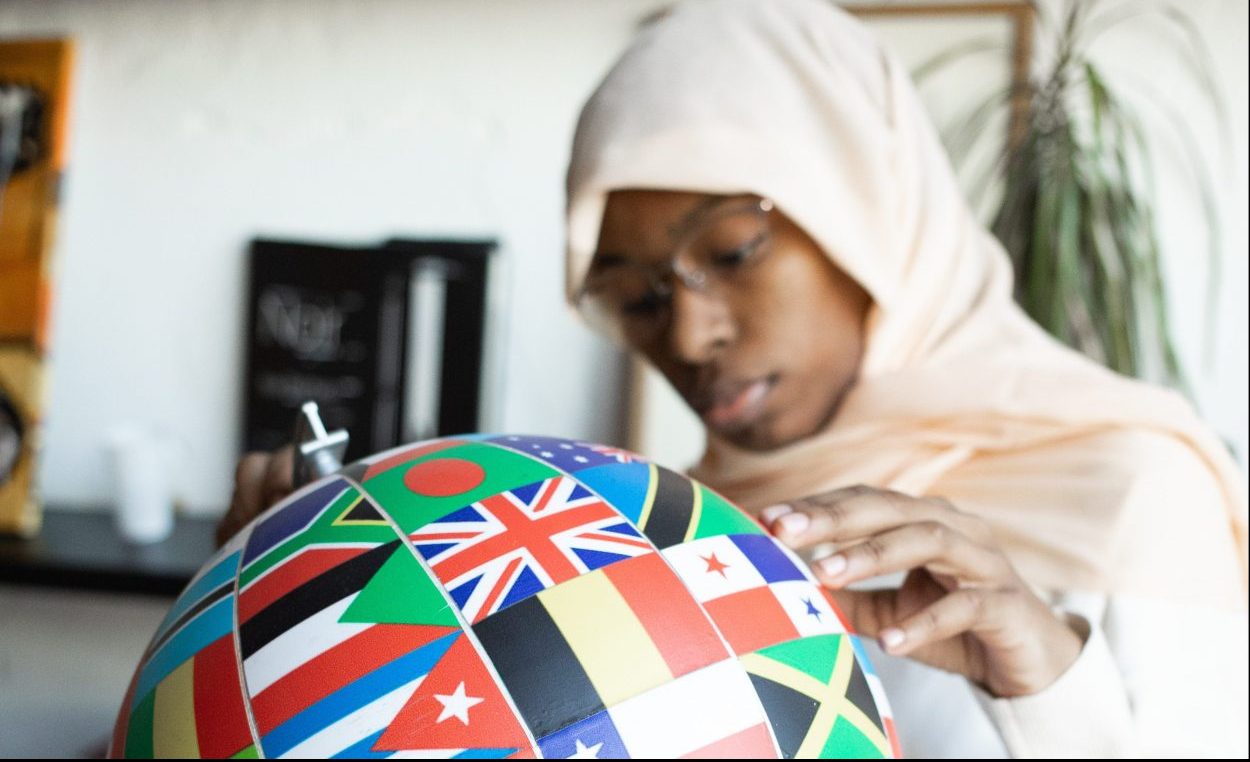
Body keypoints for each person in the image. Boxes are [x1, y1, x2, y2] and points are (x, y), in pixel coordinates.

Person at [221, 0, 1249, 756]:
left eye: (730, 250)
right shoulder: (665, 523)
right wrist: (275, 614)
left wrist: (1044, 684)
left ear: (866, 211)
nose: (691, 334)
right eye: (634, 295)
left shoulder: (1133, 486)